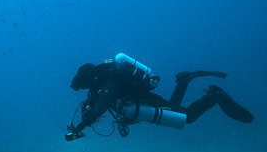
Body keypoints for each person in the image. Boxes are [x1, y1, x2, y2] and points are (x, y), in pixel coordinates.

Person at [65, 52, 253, 141]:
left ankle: (214, 95)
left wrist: (84, 123)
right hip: (143, 103)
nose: (85, 90)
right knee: (175, 110)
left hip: (147, 102)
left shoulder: (107, 82)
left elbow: (103, 103)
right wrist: (84, 118)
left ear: (89, 79)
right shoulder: (99, 85)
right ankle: (183, 80)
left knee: (187, 117)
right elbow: (93, 103)